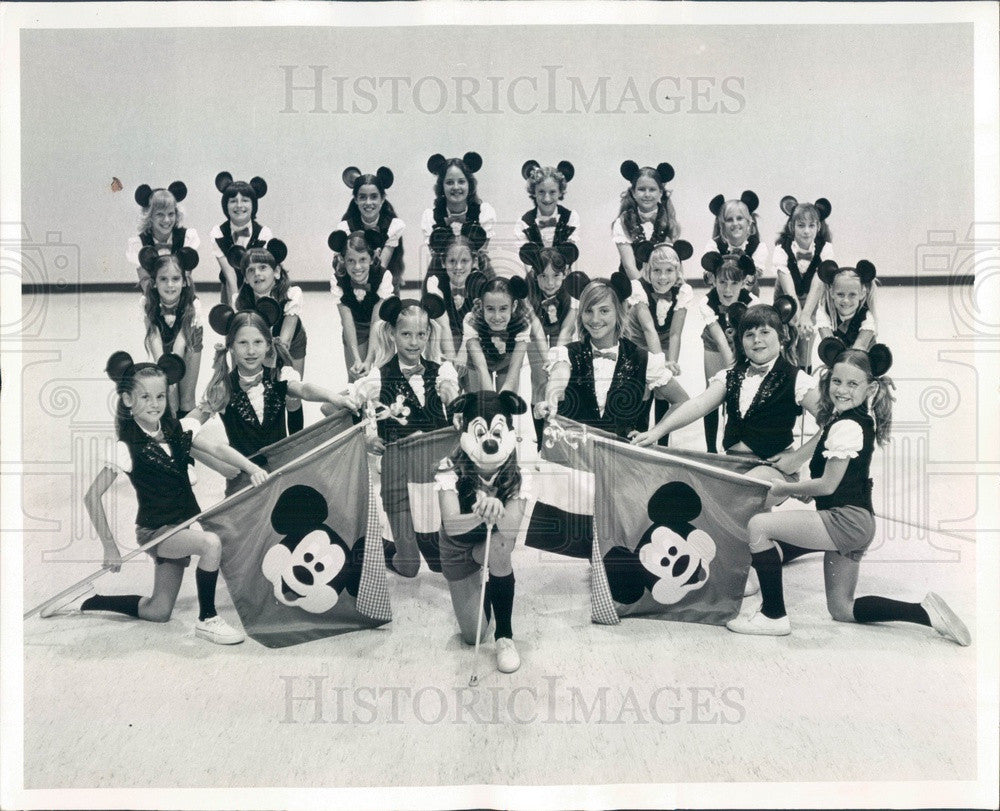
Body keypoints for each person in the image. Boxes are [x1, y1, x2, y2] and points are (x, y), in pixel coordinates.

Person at [726, 338, 971, 646]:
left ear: (869, 390)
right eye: (837, 381)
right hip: (856, 522)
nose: (842, 389)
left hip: (846, 521)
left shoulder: (847, 427)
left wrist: (787, 487)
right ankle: (924, 612)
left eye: (853, 384)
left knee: (759, 526)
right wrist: (805, 487)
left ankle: (773, 615)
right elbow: (831, 480)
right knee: (842, 608)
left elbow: (827, 485)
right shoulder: (844, 420)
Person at [45, 353, 269, 643]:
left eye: (160, 396)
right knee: (211, 543)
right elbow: (92, 497)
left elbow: (218, 450)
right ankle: (208, 619)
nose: (154, 404)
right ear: (127, 400)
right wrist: (110, 547)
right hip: (157, 531)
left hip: (180, 527)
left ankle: (87, 600)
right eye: (145, 397)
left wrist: (251, 468)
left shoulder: (177, 430)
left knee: (158, 610)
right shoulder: (127, 447)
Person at [536, 275, 688, 441]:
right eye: (588, 311)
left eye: (604, 311)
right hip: (576, 457)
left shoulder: (643, 358)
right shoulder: (566, 354)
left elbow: (682, 402)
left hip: (625, 459)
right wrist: (551, 401)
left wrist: (656, 431)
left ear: (620, 310)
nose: (595, 319)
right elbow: (559, 376)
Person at [328, 230, 394, 381]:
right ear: (343, 260)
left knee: (379, 377)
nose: (357, 267)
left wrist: (369, 359)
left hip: (380, 326)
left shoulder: (383, 276)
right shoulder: (338, 280)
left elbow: (376, 322)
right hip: (354, 327)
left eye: (363, 259)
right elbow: (347, 322)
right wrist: (357, 358)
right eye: (351, 260)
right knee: (356, 376)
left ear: (371, 259)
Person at [334, 166, 406, 293]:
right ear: (356, 199)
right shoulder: (346, 227)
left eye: (373, 197)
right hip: (355, 280)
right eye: (362, 197)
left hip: (384, 281)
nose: (368, 202)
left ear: (382, 199)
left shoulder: (393, 226)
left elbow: (381, 268)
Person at [210, 172, 272, 306]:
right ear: (225, 206)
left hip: (258, 284)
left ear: (253, 205)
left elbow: (261, 270)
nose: (239, 205)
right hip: (230, 286)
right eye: (233, 201)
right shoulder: (218, 233)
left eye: (245, 200)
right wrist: (235, 303)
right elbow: (229, 273)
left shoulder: (263, 233)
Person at [127, 181, 199, 292]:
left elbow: (186, 279)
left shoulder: (187, 237)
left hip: (182, 296)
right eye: (160, 214)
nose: (166, 220)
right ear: (149, 216)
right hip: (153, 297)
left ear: (176, 214)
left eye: (171, 214)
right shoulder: (139, 243)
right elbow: (145, 282)